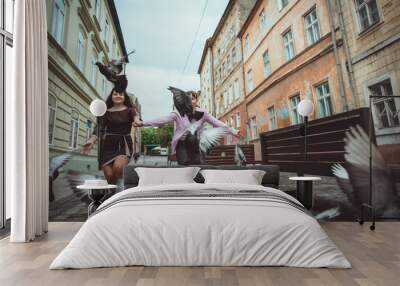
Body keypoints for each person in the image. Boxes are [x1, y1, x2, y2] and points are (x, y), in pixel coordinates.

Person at [134, 89, 240, 165]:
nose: (191, 101)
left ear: (196, 101)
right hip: (182, 144)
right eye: (188, 99)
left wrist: (234, 131)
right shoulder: (178, 114)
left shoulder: (203, 113)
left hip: (195, 145)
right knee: (185, 166)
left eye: (193, 98)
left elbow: (217, 123)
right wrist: (142, 123)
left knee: (197, 165)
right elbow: (161, 120)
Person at [83, 89, 141, 184]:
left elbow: (136, 118)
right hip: (107, 146)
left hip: (123, 143)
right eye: (115, 94)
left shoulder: (130, 110)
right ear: (111, 96)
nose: (118, 96)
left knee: (118, 168)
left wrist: (137, 121)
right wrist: (91, 141)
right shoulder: (105, 112)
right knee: (109, 175)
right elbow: (99, 127)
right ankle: (112, 194)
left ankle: (121, 190)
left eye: (121, 94)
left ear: (124, 97)